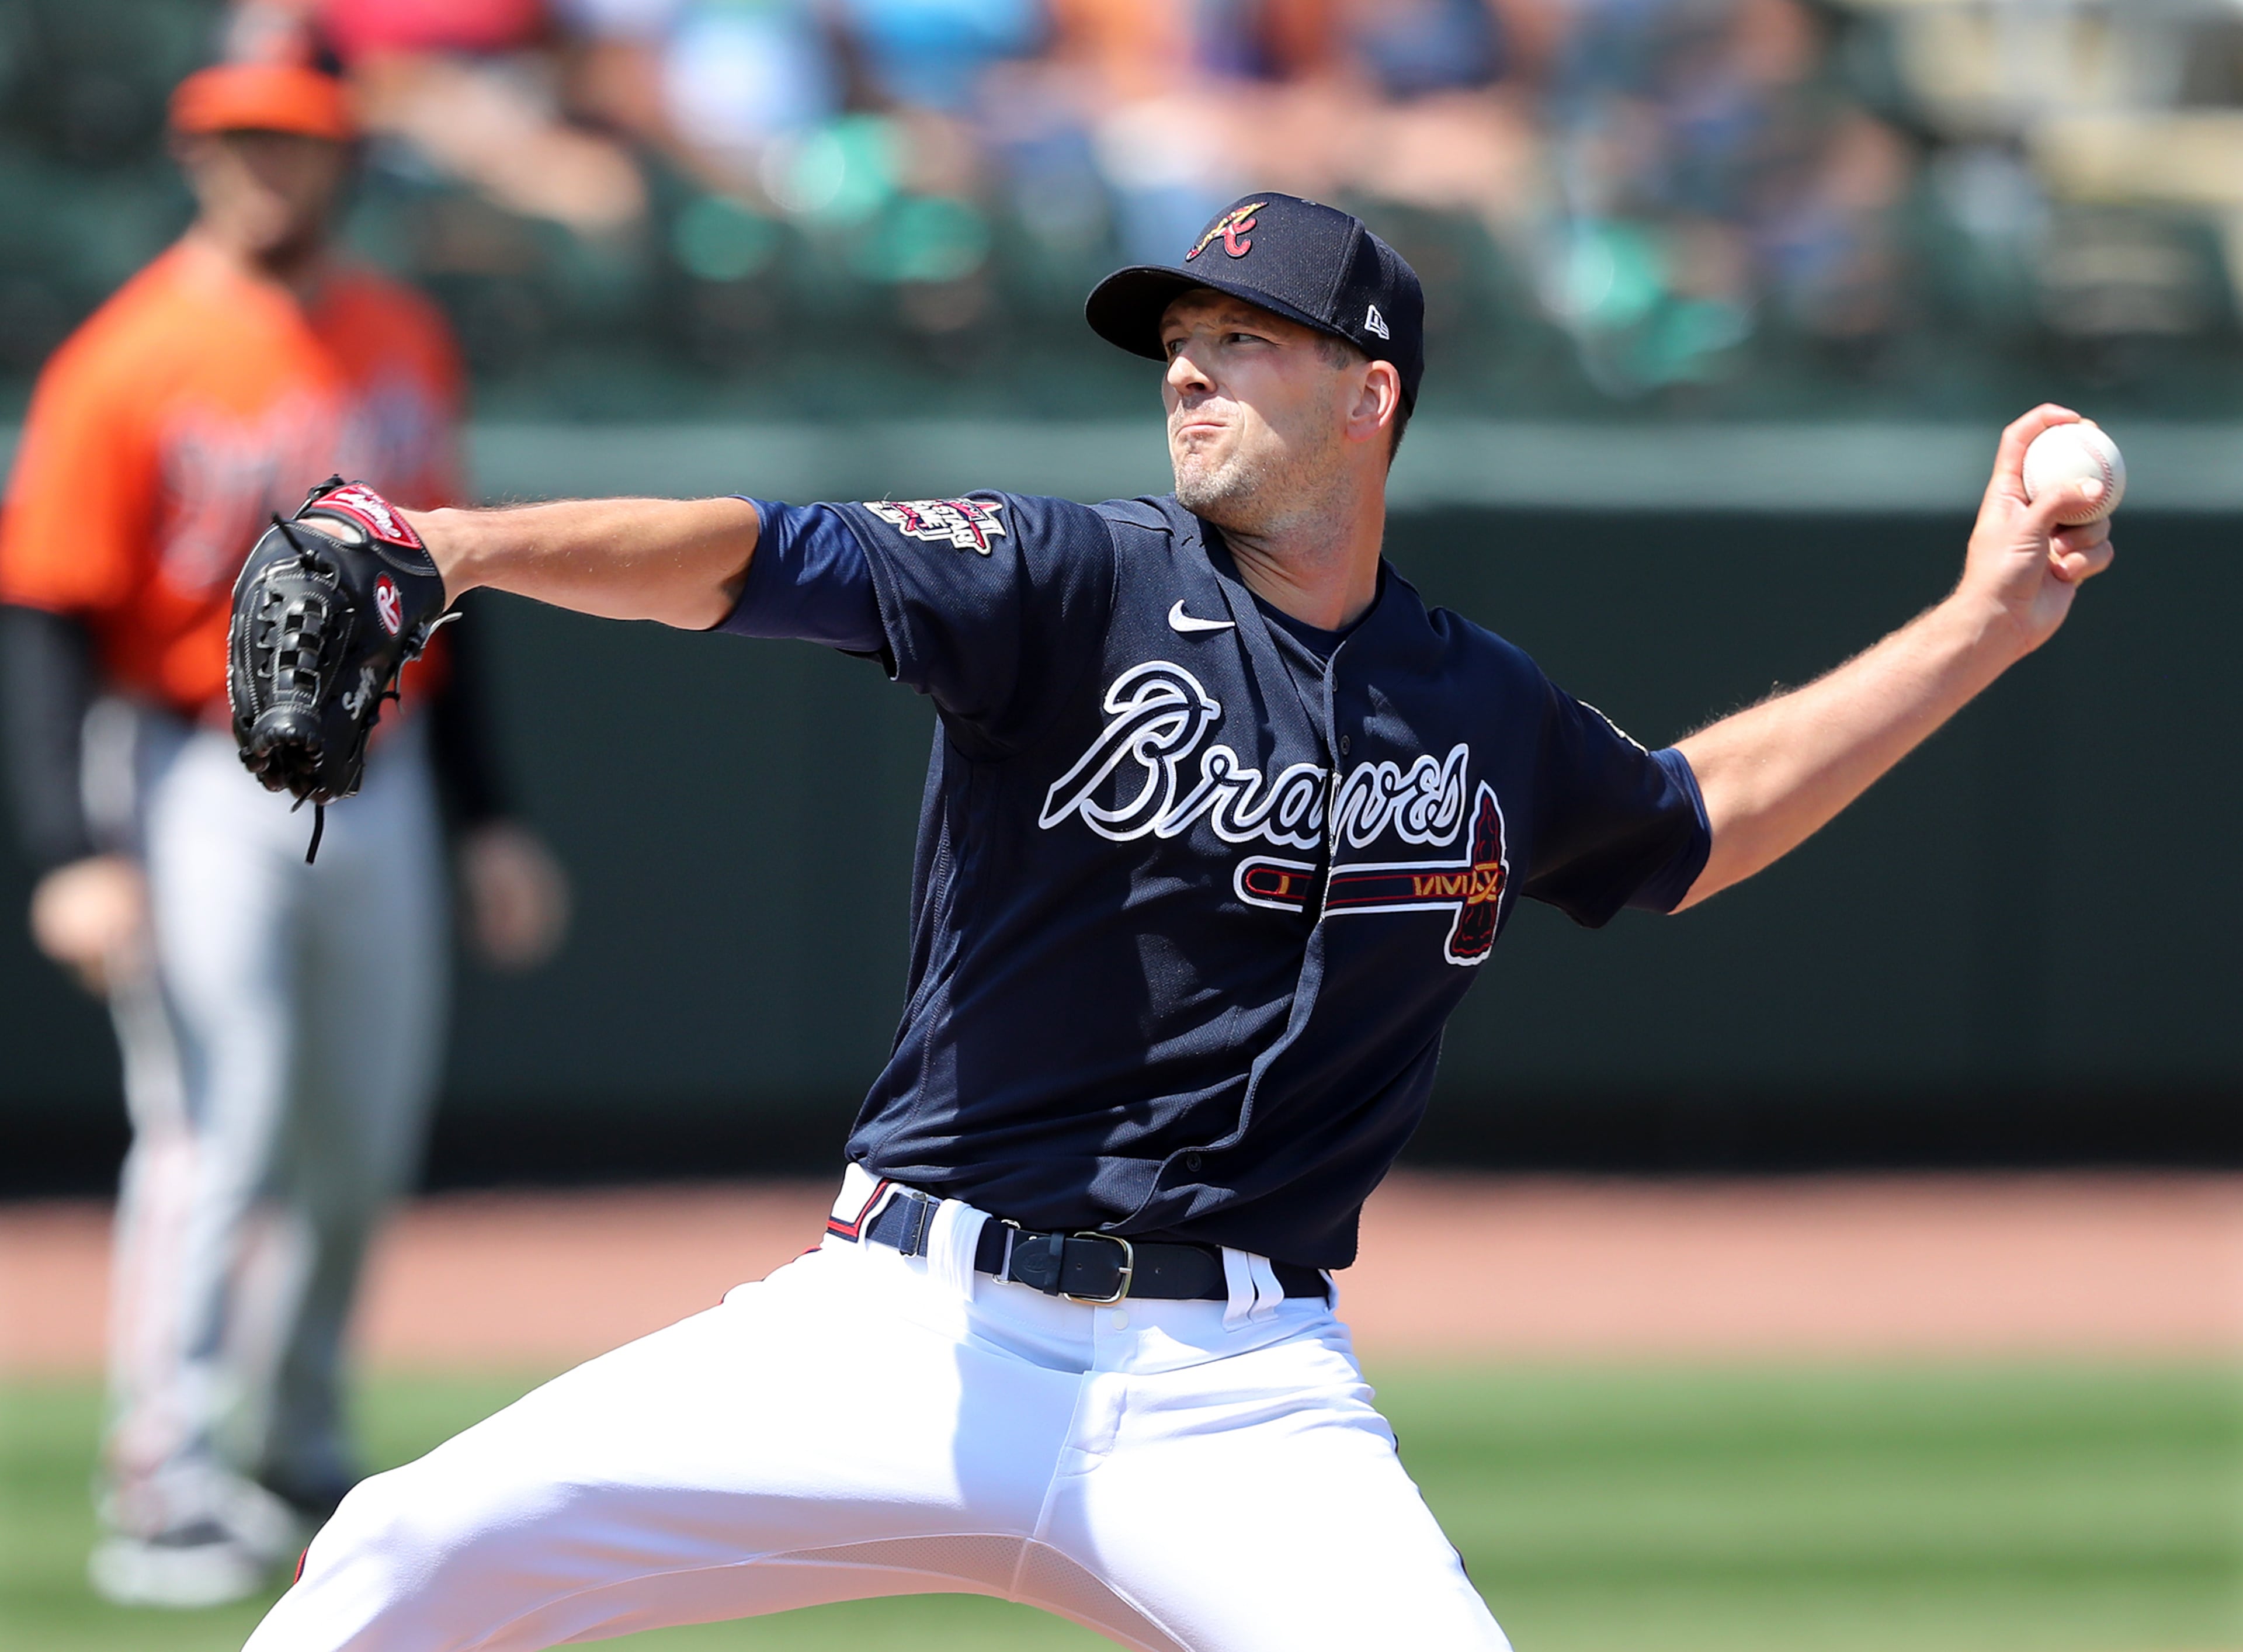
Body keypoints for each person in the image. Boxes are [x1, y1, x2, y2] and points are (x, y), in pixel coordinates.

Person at [240, 192, 2113, 1651]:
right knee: (407, 1546)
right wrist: (460, 545)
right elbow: (752, 553)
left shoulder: (1477, 701)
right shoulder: (1063, 580)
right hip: (909, 1330)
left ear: (1372, 395)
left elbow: (1696, 821)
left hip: (1237, 1393)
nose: (1190, 369)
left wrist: (1986, 624)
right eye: (1179, 339)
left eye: (1248, 338)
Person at [0, 62, 567, 1608]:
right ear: (195, 155)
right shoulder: (127, 357)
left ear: (340, 163)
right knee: (216, 1120)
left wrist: (491, 819)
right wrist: (70, 846)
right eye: (241, 143)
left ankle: (301, 1434)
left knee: (358, 1137)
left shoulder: (400, 337)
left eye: (295, 145)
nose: (267, 170)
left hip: (385, 766)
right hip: (193, 767)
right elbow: (49, 609)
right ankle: (166, 1466)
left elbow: (443, 599)